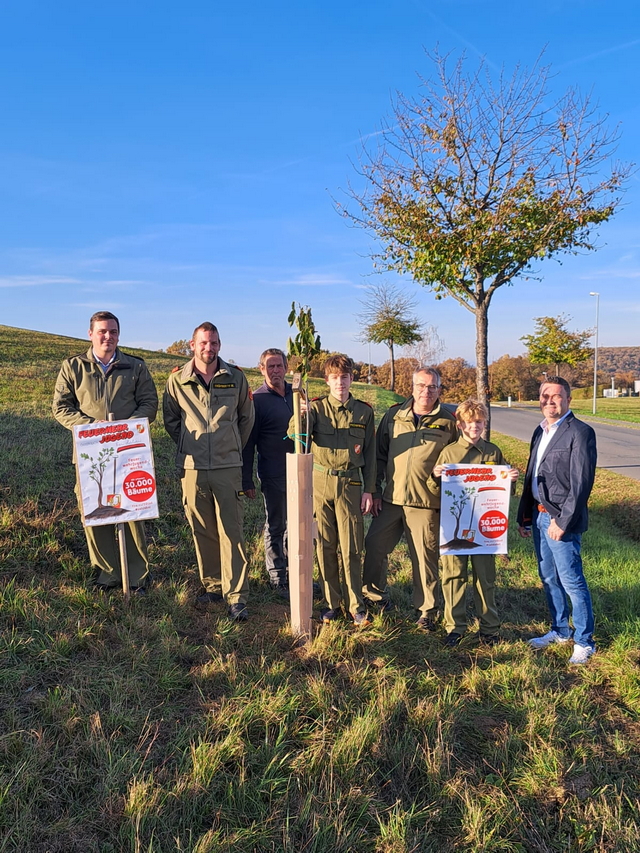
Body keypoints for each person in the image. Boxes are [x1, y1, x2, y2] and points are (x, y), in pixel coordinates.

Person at [52, 310, 158, 593]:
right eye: (102, 331)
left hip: (128, 452)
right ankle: (107, 574)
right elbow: (61, 407)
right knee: (96, 508)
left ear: (118, 335)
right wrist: (91, 428)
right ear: (90, 334)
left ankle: (137, 576)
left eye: (112, 332)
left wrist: (126, 427)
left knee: (133, 509)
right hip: (90, 454)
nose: (107, 337)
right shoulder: (73, 367)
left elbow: (149, 404)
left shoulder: (135, 367)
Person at [163, 322, 254, 621]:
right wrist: (191, 446)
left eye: (214, 342)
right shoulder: (177, 380)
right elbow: (172, 421)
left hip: (228, 467)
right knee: (202, 529)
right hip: (193, 467)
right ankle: (213, 586)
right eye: (203, 343)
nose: (209, 348)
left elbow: (246, 419)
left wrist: (229, 446)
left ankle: (237, 594)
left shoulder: (236, 377)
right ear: (192, 344)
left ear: (219, 344)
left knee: (232, 531)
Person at [362, 366, 457, 629]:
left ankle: (426, 611)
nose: (426, 391)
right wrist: (377, 491)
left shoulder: (449, 421)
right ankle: (375, 596)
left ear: (439, 389)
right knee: (374, 545)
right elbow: (378, 456)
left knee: (424, 559)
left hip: (426, 503)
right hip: (391, 500)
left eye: (432, 387)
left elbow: (460, 461)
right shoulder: (394, 415)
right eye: (421, 386)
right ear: (412, 387)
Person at [517, 377, 597, 664]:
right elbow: (531, 476)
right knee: (548, 577)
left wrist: (562, 521)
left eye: (556, 396)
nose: (549, 400)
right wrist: (524, 516)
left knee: (572, 580)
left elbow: (581, 484)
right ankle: (560, 629)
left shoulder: (580, 432)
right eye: (544, 395)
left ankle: (584, 640)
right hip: (539, 517)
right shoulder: (540, 431)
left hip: (561, 520)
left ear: (568, 400)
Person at [292, 354, 375, 625]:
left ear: (352, 379)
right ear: (327, 381)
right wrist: (299, 414)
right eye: (335, 378)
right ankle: (331, 602)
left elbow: (371, 456)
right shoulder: (316, 408)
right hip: (321, 484)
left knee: (351, 547)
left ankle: (356, 604)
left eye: (345, 377)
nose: (340, 382)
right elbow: (296, 437)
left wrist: (369, 490)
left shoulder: (364, 411)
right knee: (325, 545)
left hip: (350, 484)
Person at [429, 400, 519, 646]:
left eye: (479, 422)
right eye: (469, 423)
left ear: (484, 423)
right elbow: (436, 489)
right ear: (460, 425)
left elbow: (503, 491)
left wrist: (510, 479)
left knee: (485, 578)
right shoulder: (449, 453)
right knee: (453, 576)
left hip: (485, 528)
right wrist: (436, 476)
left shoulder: (493, 451)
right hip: (454, 525)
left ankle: (489, 628)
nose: (474, 427)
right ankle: (454, 627)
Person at [242, 349, 294, 596]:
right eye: (270, 366)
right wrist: (246, 478)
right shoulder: (258, 400)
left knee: (296, 525)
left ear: (286, 367)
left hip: (301, 471)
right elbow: (249, 442)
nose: (275, 371)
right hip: (273, 472)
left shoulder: (298, 394)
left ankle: (295, 572)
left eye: (279, 366)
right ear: (261, 369)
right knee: (276, 524)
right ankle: (277, 577)